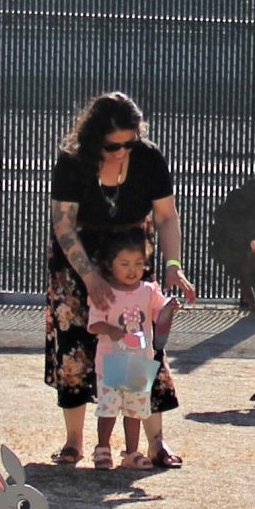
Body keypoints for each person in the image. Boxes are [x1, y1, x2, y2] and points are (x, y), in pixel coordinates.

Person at [45, 91, 197, 467]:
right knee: (76, 344)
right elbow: (63, 223)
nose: (123, 150)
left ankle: (154, 443)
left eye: (130, 142)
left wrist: (172, 262)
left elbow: (166, 216)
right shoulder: (72, 160)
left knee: (140, 348)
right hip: (78, 256)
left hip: (130, 254)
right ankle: (74, 442)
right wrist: (91, 276)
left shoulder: (148, 157)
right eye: (114, 145)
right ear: (95, 137)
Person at [88, 229, 181, 470]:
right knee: (108, 408)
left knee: (135, 411)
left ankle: (131, 452)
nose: (133, 269)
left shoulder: (149, 290)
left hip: (139, 361)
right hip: (111, 361)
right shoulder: (104, 293)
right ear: (111, 265)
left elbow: (160, 313)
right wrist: (110, 329)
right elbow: (93, 324)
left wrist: (170, 308)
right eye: (125, 263)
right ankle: (102, 448)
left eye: (138, 263)